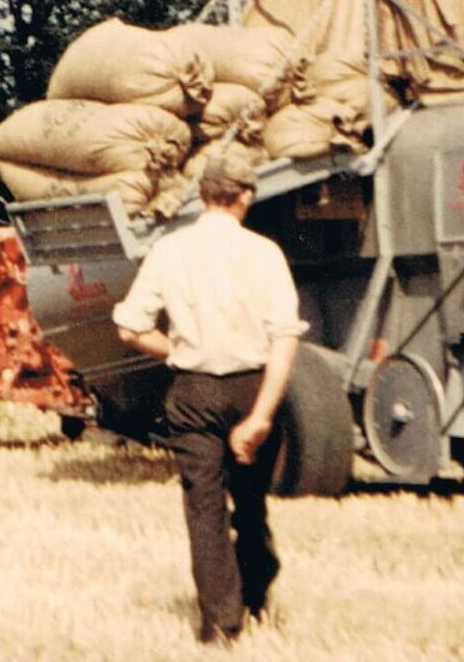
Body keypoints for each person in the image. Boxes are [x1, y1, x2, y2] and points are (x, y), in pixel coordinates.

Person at [112, 150, 305, 645]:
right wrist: (261, 415)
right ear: (246, 197)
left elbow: (130, 326)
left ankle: (221, 624)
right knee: (251, 501)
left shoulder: (169, 250)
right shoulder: (265, 253)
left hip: (193, 389)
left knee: (204, 508)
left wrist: (175, 348)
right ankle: (256, 588)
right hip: (251, 387)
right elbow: (285, 337)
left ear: (200, 197)